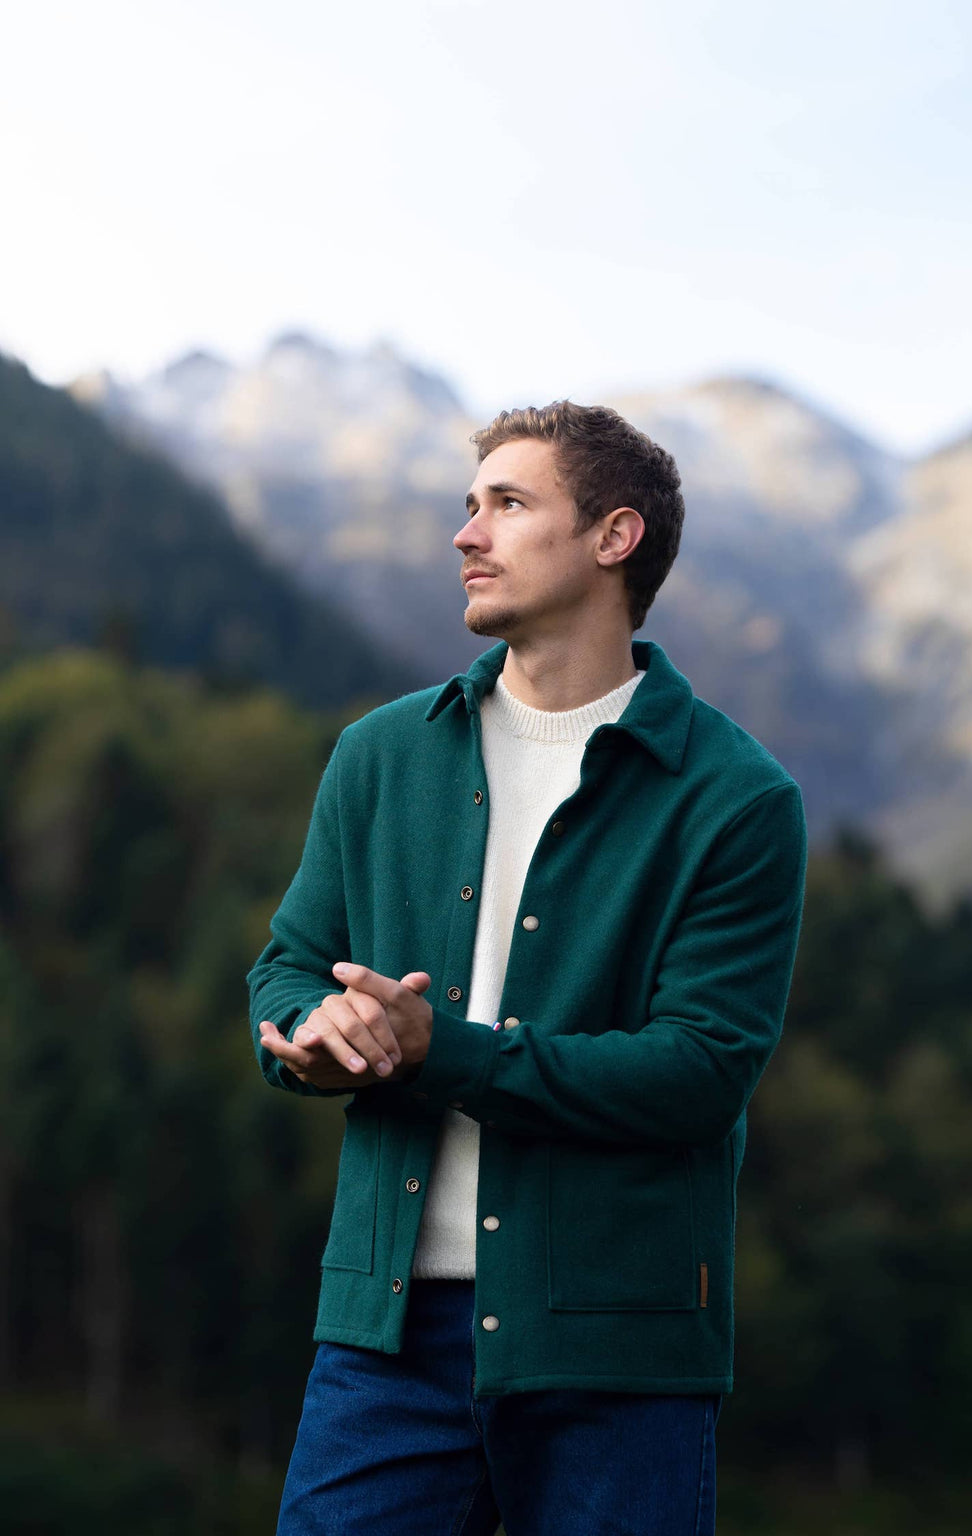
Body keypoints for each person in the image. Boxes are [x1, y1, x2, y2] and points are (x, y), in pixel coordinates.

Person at [248, 400, 808, 1536]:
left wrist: (433, 1051)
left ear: (614, 537)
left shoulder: (736, 799)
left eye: (507, 504)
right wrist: (315, 1038)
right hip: (385, 1336)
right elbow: (289, 965)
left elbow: (698, 1073)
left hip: (619, 1350)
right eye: (469, 505)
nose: (466, 534)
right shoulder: (379, 754)